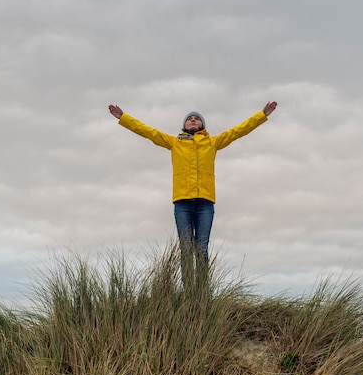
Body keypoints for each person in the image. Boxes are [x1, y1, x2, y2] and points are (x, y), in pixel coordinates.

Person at [108, 101, 277, 286]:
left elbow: (238, 131)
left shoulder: (212, 142)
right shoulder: (174, 142)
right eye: (189, 118)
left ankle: (202, 291)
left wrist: (263, 115)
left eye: (197, 118)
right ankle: (189, 291)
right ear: (184, 125)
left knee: (202, 248)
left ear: (202, 125)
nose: (193, 120)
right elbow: (149, 132)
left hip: (205, 203)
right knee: (186, 248)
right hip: (182, 203)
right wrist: (123, 118)